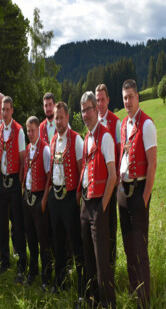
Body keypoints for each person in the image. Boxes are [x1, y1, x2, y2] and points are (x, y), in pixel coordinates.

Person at [118, 79, 157, 308]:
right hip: (124, 191)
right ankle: (134, 291)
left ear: (138, 97)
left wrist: (144, 198)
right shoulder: (124, 124)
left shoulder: (148, 124)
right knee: (128, 245)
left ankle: (144, 300)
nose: (128, 101)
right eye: (124, 98)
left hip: (139, 190)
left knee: (140, 248)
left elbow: (152, 165)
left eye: (131, 96)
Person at [42, 102, 85, 299]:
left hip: (69, 198)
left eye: (61, 117)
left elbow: (81, 170)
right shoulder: (52, 141)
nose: (58, 121)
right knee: (57, 243)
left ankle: (83, 288)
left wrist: (76, 198)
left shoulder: (76, 140)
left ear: (67, 118)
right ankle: (59, 283)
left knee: (76, 244)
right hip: (55, 198)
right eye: (56, 118)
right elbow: (51, 171)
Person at [78, 91, 116, 308]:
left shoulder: (106, 136)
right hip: (86, 203)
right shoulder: (86, 137)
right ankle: (93, 301)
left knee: (102, 261)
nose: (85, 114)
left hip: (99, 204)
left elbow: (113, 176)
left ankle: (109, 303)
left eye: (88, 109)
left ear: (96, 109)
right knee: (89, 259)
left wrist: (102, 208)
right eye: (82, 110)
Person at [0, 96, 26, 275]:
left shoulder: (19, 130)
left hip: (13, 182)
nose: (4, 112)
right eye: (2, 109)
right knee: (2, 223)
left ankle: (22, 262)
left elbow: (22, 160)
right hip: (1, 180)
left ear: (12, 110)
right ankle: (5, 261)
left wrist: (19, 184)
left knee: (17, 225)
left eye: (7, 109)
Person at [21, 116, 52, 289]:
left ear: (38, 130)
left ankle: (46, 276)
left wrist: (44, 200)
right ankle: (32, 272)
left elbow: (49, 177)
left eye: (33, 130)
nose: (30, 133)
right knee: (30, 238)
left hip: (40, 197)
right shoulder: (28, 148)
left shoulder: (45, 149)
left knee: (43, 240)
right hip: (28, 198)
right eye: (28, 130)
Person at [95, 83, 120, 272]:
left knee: (111, 222)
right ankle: (100, 260)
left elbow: (119, 153)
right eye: (97, 100)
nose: (100, 103)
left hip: (111, 183)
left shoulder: (115, 122)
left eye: (103, 99)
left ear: (108, 100)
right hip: (96, 184)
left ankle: (111, 261)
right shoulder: (93, 122)